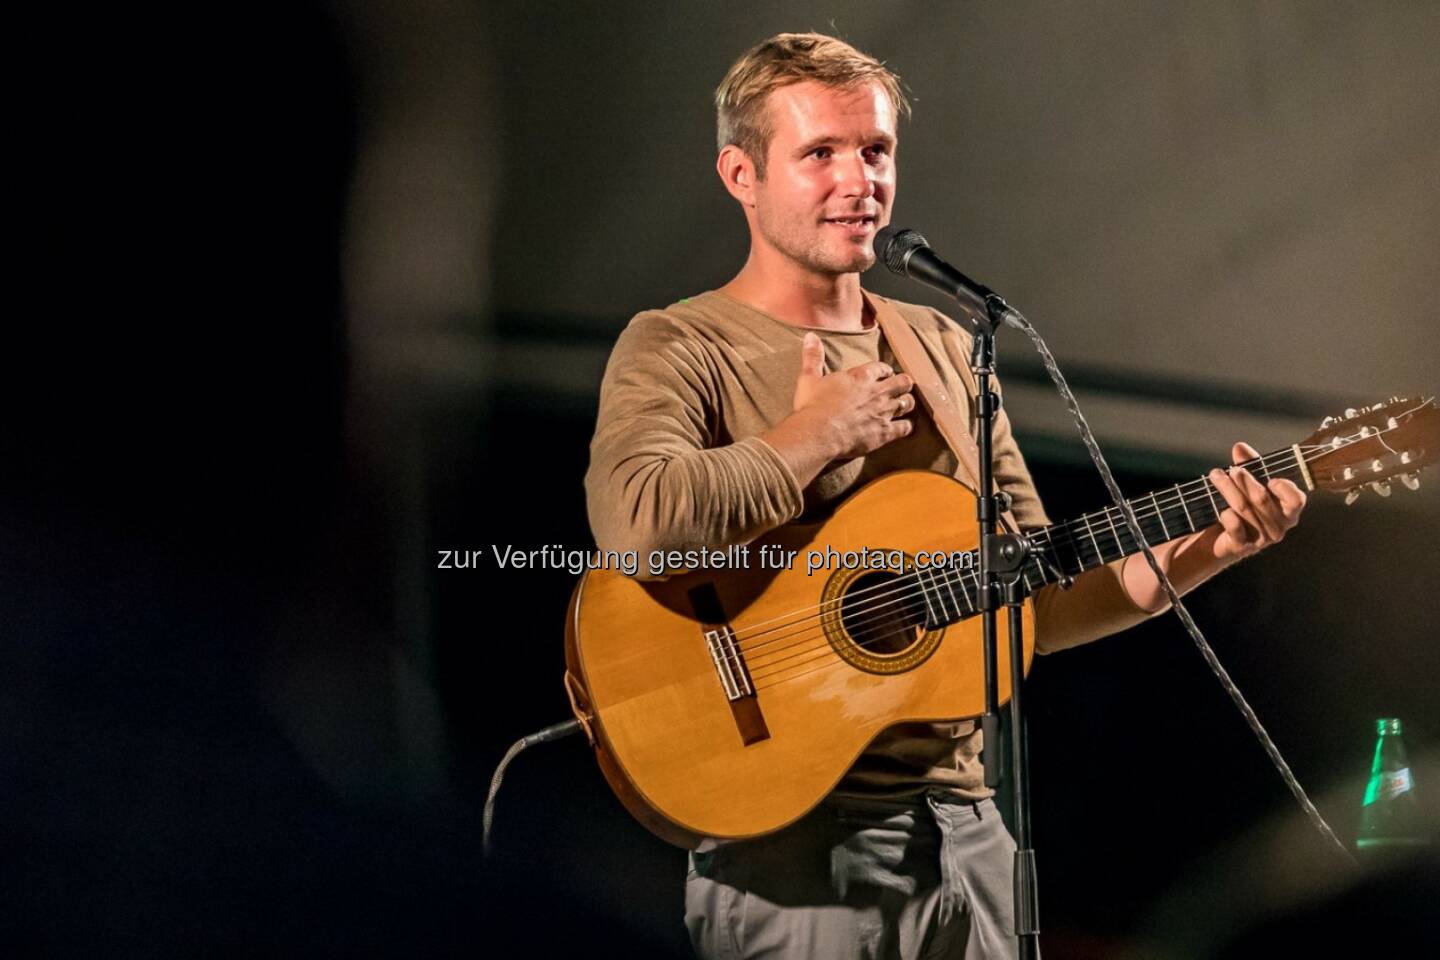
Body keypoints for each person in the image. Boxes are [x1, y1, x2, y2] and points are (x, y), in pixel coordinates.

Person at [583, 32, 1306, 960]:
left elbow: (1036, 598)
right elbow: (637, 527)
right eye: (820, 154)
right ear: (741, 174)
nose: (861, 180)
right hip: (799, 855)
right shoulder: (680, 345)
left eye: (876, 150)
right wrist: (817, 435)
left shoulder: (944, 346)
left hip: (970, 841)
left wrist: (1212, 543)